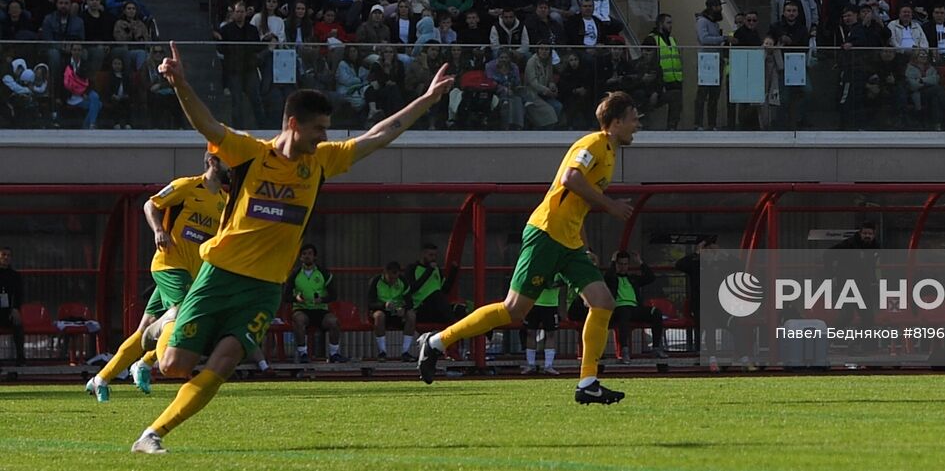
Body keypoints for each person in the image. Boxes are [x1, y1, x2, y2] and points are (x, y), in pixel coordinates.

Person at [128, 41, 452, 455]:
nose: (325, 137)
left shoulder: (320, 162)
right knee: (174, 365)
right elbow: (207, 126)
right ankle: (161, 325)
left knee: (224, 364)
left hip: (265, 287)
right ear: (294, 124)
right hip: (220, 274)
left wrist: (426, 99)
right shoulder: (249, 152)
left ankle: (152, 434)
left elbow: (379, 135)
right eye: (319, 128)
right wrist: (179, 84)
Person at [416, 91, 640, 406]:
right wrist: (611, 206)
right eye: (633, 119)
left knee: (603, 302)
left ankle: (588, 381)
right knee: (514, 310)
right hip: (546, 233)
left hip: (569, 241)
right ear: (615, 123)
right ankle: (437, 342)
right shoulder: (593, 144)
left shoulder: (610, 151)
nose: (637, 125)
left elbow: (578, 203)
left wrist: (584, 245)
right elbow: (571, 177)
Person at [87, 153, 233, 402]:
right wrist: (159, 230)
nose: (235, 167)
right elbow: (150, 205)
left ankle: (101, 378)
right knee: (181, 312)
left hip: (193, 274)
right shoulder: (187, 186)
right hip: (169, 265)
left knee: (144, 329)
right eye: (231, 161)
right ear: (213, 162)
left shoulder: (224, 200)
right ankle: (153, 363)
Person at [285, 244, 340, 363]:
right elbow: (285, 296)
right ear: (300, 258)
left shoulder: (323, 273)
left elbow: (333, 295)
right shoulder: (294, 274)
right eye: (304, 254)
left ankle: (334, 354)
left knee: (334, 322)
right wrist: (296, 298)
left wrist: (322, 299)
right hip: (302, 309)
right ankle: (303, 353)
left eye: (310, 253)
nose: (307, 256)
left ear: (315, 256)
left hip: (320, 310)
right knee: (298, 320)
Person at [0, 246, 23, 365]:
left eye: (8, 255)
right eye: (3, 255)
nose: (6, 258)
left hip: (8, 312)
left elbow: (19, 295)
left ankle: (20, 358)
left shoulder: (15, 275)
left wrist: (15, 309)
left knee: (18, 325)